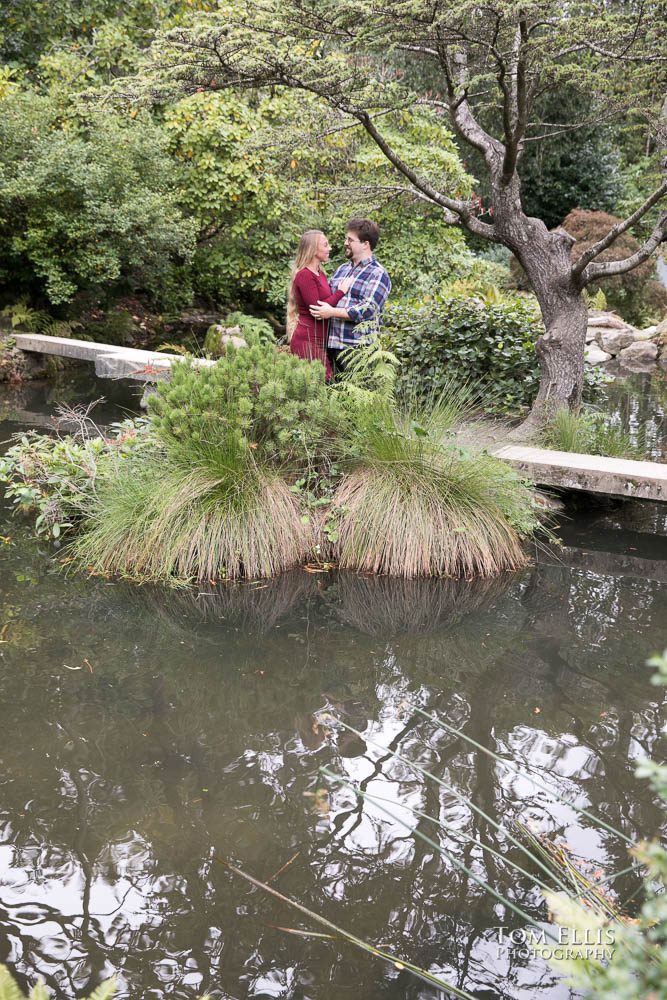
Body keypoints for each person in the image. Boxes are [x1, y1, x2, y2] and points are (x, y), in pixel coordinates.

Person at [309, 218, 391, 378]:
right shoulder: (341, 270)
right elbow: (327, 299)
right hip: (331, 347)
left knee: (353, 400)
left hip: (358, 351)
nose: (345, 242)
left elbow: (368, 310)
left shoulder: (378, 273)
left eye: (350, 240)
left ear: (365, 244)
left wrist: (332, 312)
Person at [287, 230, 353, 381]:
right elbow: (317, 309)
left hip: (320, 341)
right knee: (326, 383)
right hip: (307, 341)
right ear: (313, 249)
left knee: (323, 386)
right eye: (325, 245)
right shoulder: (304, 275)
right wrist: (341, 292)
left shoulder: (320, 273)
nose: (330, 248)